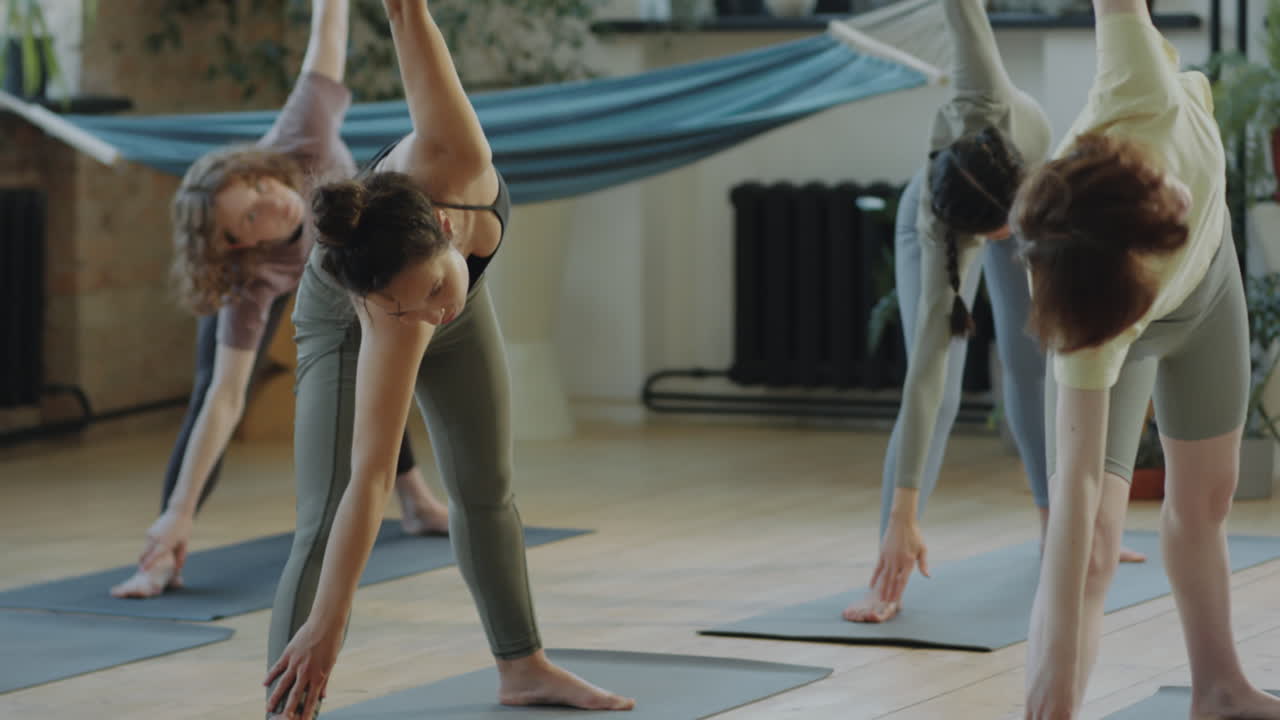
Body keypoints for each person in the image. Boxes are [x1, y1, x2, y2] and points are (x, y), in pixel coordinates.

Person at [262, 2, 635, 718]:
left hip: (436, 278)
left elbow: (406, 14)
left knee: (486, 484)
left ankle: (522, 667)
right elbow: (373, 478)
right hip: (349, 311)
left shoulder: (454, 155)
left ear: (442, 224)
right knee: (325, 510)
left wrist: (434, 297)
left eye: (433, 292)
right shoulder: (392, 313)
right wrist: (330, 626)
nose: (432, 316)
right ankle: (288, 708)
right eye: (417, 307)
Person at [109, 0, 449, 601]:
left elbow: (328, 34)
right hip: (279, 280)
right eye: (252, 216)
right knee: (210, 389)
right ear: (239, 243)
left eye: (260, 185)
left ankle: (415, 500)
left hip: (336, 263)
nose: (275, 201)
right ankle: (164, 546)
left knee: (365, 360)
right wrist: (178, 514)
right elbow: (227, 399)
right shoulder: (247, 276)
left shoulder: (301, 134)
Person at [844, 0, 1144, 625]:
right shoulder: (944, 237)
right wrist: (902, 518)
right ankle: (887, 569)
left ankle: (1058, 528)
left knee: (1035, 359)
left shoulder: (983, 89)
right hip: (943, 220)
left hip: (1018, 200)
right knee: (942, 389)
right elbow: (923, 381)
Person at [1019, 2, 1280, 718]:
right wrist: (1053, 679)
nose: (1180, 194)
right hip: (1130, 330)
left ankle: (1219, 687)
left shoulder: (1131, 81)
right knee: (1095, 544)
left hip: (1209, 283)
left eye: (1161, 194)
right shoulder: (1086, 306)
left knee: (1209, 497)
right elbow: (1075, 490)